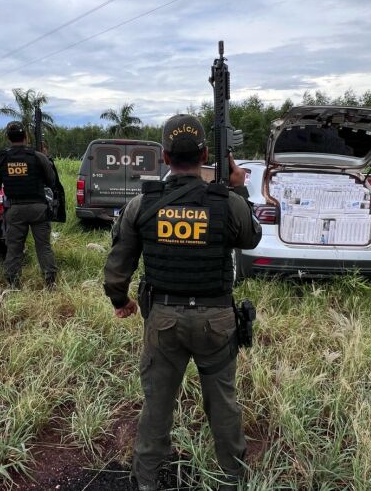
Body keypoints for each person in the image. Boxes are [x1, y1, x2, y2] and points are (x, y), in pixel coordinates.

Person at [103, 114, 262, 491]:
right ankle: (232, 479)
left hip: (163, 321)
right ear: (206, 153)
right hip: (217, 321)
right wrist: (238, 188)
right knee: (222, 403)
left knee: (157, 403)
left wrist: (120, 300)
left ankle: (145, 480)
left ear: (164, 155)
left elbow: (118, 263)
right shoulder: (226, 203)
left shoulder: (143, 204)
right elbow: (252, 238)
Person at [0, 121, 58, 287]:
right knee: (44, 246)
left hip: (15, 210)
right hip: (38, 208)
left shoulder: (0, 160)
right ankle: (50, 281)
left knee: (14, 248)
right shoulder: (38, 157)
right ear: (25, 137)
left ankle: (13, 283)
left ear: (8, 138)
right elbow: (51, 181)